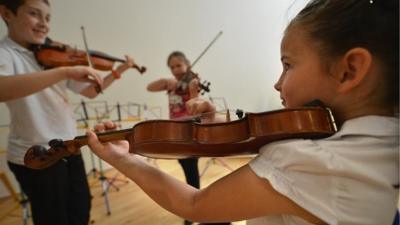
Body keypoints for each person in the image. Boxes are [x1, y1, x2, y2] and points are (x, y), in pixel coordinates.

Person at [87, 0, 399, 224]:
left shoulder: (314, 162)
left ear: (349, 70)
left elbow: (194, 203)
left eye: (288, 65)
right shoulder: (382, 143)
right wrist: (222, 126)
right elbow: (282, 143)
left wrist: (125, 160)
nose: (278, 84)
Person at [0, 0, 135, 224]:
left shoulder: (50, 56)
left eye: (47, 18)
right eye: (34, 14)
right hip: (35, 153)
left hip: (69, 145)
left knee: (81, 209)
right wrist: (65, 72)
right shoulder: (6, 53)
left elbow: (91, 91)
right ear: (6, 13)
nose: (44, 24)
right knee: (53, 218)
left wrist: (118, 71)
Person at [146, 51, 230, 225]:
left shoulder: (192, 81)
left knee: (190, 168)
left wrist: (193, 91)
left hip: (191, 129)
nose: (176, 69)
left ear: (187, 65)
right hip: (176, 130)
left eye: (179, 65)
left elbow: (195, 101)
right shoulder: (170, 84)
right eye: (172, 67)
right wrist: (165, 82)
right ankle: (194, 204)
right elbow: (149, 87)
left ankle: (194, 208)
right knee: (186, 165)